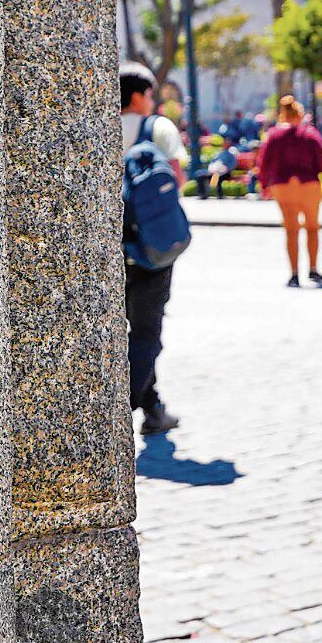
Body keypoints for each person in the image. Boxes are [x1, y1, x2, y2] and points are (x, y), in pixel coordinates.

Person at [119, 64, 187, 435]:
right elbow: (177, 178)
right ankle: (124, 404)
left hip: (114, 242)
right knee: (146, 332)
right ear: (137, 96)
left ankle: (154, 408)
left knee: (126, 327)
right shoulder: (157, 127)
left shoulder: (101, 126)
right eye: (149, 94)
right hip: (151, 243)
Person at [257, 94, 322, 286]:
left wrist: (264, 185)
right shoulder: (309, 134)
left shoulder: (273, 135)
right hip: (308, 185)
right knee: (312, 227)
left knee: (291, 230)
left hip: (282, 186)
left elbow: (263, 162)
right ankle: (313, 269)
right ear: (300, 114)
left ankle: (294, 274)